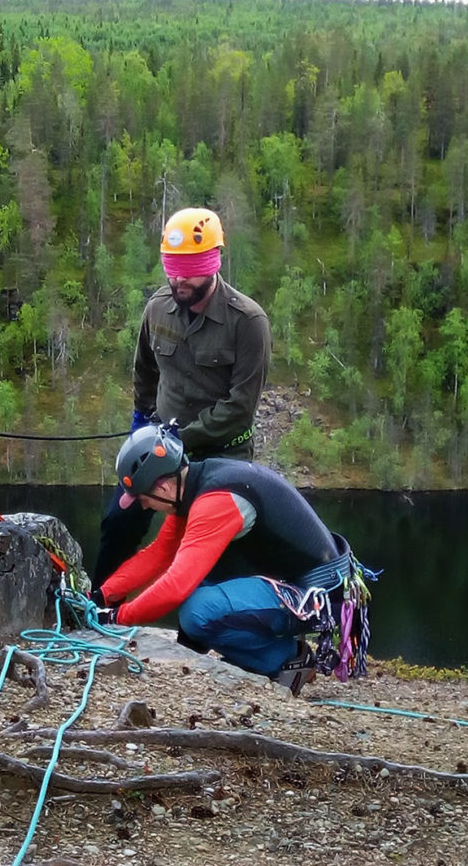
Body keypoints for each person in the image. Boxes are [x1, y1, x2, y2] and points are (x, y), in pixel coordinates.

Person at [90, 424, 371, 696]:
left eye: (142, 498)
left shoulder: (217, 500)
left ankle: (288, 660)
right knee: (201, 586)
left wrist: (118, 617)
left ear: (162, 487)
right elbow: (158, 554)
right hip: (302, 583)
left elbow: (176, 585)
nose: (143, 505)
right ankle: (267, 651)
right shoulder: (193, 485)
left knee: (196, 611)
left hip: (319, 595)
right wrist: (101, 596)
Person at [92, 207, 272, 587]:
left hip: (222, 455)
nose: (179, 278)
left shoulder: (248, 323)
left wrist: (176, 441)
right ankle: (97, 609)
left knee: (210, 553)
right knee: (119, 520)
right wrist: (142, 427)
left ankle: (221, 631)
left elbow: (240, 409)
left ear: (213, 263)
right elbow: (145, 372)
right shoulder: (157, 308)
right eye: (172, 268)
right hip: (160, 447)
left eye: (190, 268)